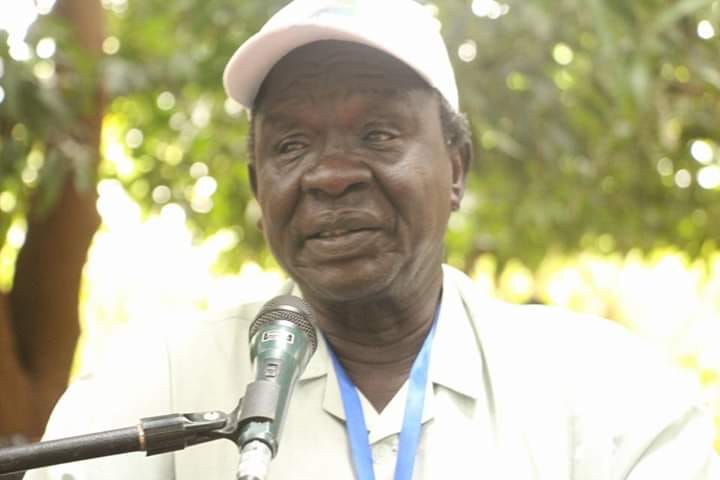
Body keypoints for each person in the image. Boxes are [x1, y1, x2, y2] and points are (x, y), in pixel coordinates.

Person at [23, 0, 720, 479]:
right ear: (259, 187)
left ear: (455, 169)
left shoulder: (607, 392)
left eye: (378, 134)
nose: (330, 176)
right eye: (291, 144)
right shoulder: (150, 387)